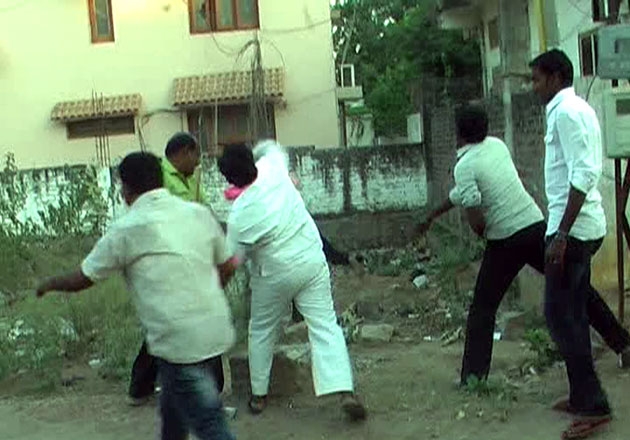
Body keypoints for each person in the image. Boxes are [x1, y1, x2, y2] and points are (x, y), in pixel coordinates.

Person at [418, 104, 630, 391]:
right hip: (534, 227)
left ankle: (473, 378)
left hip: (505, 240)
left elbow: (476, 220)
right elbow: (462, 192)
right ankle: (623, 345)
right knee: (577, 290)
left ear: (458, 135)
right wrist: (433, 215)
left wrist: (478, 226)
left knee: (483, 308)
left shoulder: (465, 165)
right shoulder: (496, 146)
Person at [36, 152, 236, 440]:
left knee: (209, 423)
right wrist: (206, 295)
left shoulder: (126, 229)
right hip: (213, 328)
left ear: (125, 188)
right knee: (174, 409)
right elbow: (228, 265)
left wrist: (47, 284)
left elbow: (84, 278)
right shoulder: (198, 213)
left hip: (178, 340)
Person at [217, 141, 367, 421]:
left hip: (274, 274)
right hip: (311, 261)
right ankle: (344, 390)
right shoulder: (272, 167)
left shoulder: (239, 215)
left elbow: (232, 262)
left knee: (261, 329)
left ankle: (259, 396)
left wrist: (215, 289)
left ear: (229, 180)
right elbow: (272, 146)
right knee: (325, 326)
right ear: (251, 159)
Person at [531, 48, 613, 439]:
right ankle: (582, 395)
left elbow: (583, 172)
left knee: (561, 317)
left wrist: (561, 233)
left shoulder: (566, 112)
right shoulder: (574, 108)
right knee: (569, 315)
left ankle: (594, 404)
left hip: (574, 231)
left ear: (557, 77)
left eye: (537, 79)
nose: (534, 87)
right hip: (578, 226)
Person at [128, 133, 233, 415]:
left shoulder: (191, 179)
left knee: (169, 325)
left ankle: (142, 387)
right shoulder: (159, 180)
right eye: (196, 156)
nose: (198, 163)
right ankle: (207, 393)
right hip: (171, 260)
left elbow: (204, 211)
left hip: (190, 258)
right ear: (184, 152)